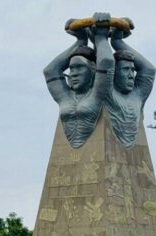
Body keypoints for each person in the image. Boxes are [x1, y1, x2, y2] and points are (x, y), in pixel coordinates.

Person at [43, 13, 114, 149]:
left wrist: (100, 38)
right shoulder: (65, 96)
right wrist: (80, 41)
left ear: (92, 71)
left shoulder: (97, 94)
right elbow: (50, 71)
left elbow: (106, 62)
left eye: (79, 68)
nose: (73, 74)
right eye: (71, 69)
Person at [105, 21, 156, 148]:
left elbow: (149, 70)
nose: (131, 75)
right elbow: (104, 64)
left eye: (132, 70)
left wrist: (117, 42)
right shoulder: (108, 93)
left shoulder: (137, 95)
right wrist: (99, 38)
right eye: (125, 70)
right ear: (114, 73)